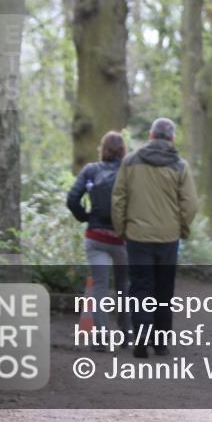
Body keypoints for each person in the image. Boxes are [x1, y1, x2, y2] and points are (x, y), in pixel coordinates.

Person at [111, 118, 199, 359]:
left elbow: (118, 199)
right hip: (168, 237)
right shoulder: (180, 166)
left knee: (140, 286)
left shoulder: (129, 162)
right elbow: (190, 204)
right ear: (171, 138)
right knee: (164, 290)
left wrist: (121, 229)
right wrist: (182, 228)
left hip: (137, 236)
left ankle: (140, 333)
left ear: (150, 136)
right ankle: (160, 343)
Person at [66, 131, 133, 351]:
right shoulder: (129, 172)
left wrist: (85, 217)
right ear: (123, 150)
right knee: (124, 287)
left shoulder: (90, 171)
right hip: (122, 239)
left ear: (102, 149)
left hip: (95, 238)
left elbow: (72, 199)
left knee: (100, 288)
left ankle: (102, 339)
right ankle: (126, 335)